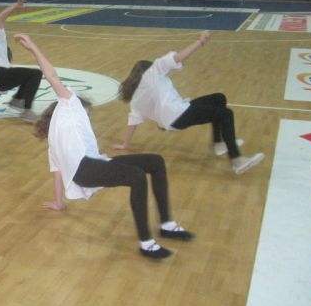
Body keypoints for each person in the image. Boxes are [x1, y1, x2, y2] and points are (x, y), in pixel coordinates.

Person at [15, 33, 193, 259]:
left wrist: (59, 203)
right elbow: (51, 75)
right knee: (137, 176)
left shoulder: (55, 139)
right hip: (86, 168)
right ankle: (146, 243)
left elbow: (56, 173)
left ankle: (167, 224)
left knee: (155, 162)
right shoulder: (70, 105)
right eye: (88, 111)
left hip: (94, 165)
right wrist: (33, 47)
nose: (88, 114)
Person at [114, 31, 264, 175]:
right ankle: (236, 160)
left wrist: (125, 144)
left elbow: (133, 121)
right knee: (226, 114)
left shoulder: (136, 99)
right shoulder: (153, 71)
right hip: (178, 114)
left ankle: (218, 144)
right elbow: (177, 58)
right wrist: (200, 42)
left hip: (177, 113)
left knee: (219, 98)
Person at [0, 0, 42, 122]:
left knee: (27, 76)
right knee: (36, 73)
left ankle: (16, 101)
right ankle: (26, 110)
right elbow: (0, 19)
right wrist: (15, 6)